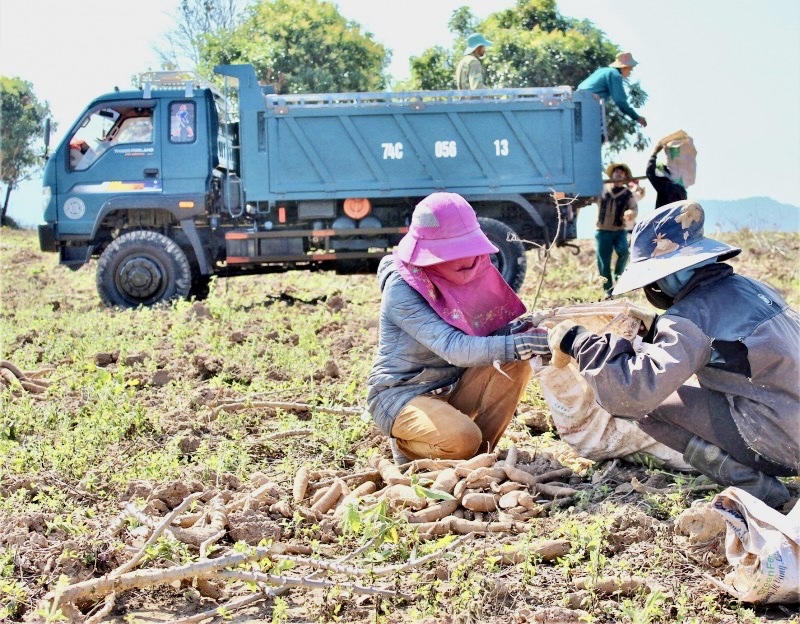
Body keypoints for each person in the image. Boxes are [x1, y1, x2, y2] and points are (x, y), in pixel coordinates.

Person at [548, 200, 799, 508]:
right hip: (787, 416)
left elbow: (630, 392)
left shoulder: (691, 316)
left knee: (649, 407)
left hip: (783, 443)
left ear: (666, 275)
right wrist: (657, 328)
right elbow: (729, 346)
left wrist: (579, 341)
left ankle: (757, 488)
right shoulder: (754, 288)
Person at [366, 192, 549, 464]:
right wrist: (519, 343)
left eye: (467, 249)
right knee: (463, 438)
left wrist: (530, 331)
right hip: (403, 395)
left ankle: (478, 457)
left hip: (454, 385)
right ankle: (411, 447)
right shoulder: (402, 289)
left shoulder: (475, 267)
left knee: (516, 359)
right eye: (454, 251)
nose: (466, 261)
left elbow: (492, 332)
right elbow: (454, 347)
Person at [595, 163, 640, 297]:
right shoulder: (602, 189)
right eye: (616, 172)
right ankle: (608, 290)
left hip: (619, 230)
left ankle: (618, 280)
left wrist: (631, 213)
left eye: (622, 173)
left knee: (624, 252)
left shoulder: (627, 194)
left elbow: (634, 208)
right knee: (604, 261)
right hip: (603, 231)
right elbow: (589, 197)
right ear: (612, 174)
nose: (619, 174)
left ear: (625, 176)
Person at [577, 52, 647, 128]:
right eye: (630, 69)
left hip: (577, 100)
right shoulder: (615, 74)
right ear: (624, 67)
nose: (630, 72)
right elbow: (620, 100)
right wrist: (637, 117)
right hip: (588, 103)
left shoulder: (603, 70)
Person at [646, 142, 688, 208]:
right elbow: (650, 173)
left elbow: (650, 173)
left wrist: (654, 154)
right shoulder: (679, 188)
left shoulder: (671, 186)